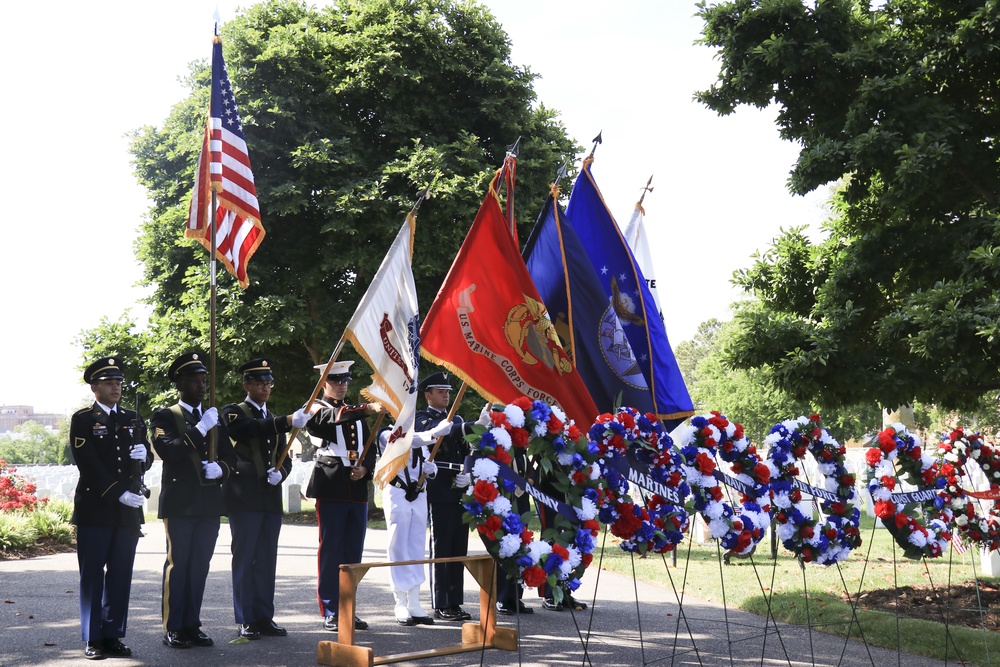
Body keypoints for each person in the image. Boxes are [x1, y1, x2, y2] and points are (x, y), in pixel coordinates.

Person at [69, 357, 153, 660]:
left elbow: (139, 460)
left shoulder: (132, 417)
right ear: (95, 388)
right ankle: (93, 637)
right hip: (96, 507)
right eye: (108, 382)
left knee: (121, 574)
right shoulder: (83, 419)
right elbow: (88, 463)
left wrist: (146, 457)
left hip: (126, 511)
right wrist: (117, 493)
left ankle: (113, 634)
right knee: (92, 574)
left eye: (118, 382)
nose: (116, 386)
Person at [150, 351, 235, 649]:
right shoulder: (165, 416)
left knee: (199, 566)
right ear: (181, 383)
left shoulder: (214, 417)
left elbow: (230, 458)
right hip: (180, 503)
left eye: (203, 380)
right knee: (179, 564)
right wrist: (199, 430)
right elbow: (171, 451)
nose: (202, 385)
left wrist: (220, 469)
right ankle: (173, 627)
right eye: (195, 380)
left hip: (209, 503)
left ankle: (191, 624)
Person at [222, 358, 310, 640]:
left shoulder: (269, 416)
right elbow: (246, 430)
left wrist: (281, 474)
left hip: (269, 498)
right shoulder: (235, 412)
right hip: (244, 497)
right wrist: (285, 420)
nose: (265, 387)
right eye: (260, 383)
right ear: (247, 385)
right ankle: (245, 618)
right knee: (246, 558)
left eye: (269, 383)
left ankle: (263, 616)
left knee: (266, 559)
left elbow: (284, 457)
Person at [305, 360, 383, 632]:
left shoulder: (354, 412)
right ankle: (330, 608)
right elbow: (329, 420)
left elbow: (370, 444)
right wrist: (370, 407)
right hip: (332, 484)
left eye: (345, 381)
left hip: (357, 487)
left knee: (352, 552)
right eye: (336, 381)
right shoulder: (316, 407)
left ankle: (348, 607)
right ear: (324, 383)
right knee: (331, 549)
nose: (342, 386)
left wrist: (366, 468)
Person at [416, 371, 490, 622]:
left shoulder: (455, 417)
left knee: (459, 547)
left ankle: (455, 601)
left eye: (448, 391)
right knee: (442, 546)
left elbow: (466, 448)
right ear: (428, 395)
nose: (446, 395)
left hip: (459, 484)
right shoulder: (422, 418)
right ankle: (441, 602)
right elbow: (441, 433)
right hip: (438, 486)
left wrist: (468, 474)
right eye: (440, 391)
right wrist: (472, 426)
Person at [378, 418, 452, 626]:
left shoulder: (418, 438)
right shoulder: (386, 433)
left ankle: (414, 601)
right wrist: (433, 433)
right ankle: (400, 601)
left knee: (416, 545)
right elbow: (402, 442)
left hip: (419, 493)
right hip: (397, 492)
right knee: (398, 545)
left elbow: (427, 456)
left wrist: (432, 469)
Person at [495, 443, 534, 616]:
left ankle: (515, 596)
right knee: (506, 545)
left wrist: (531, 477)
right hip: (505, 495)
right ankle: (502, 597)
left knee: (521, 544)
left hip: (521, 494)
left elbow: (533, 459)